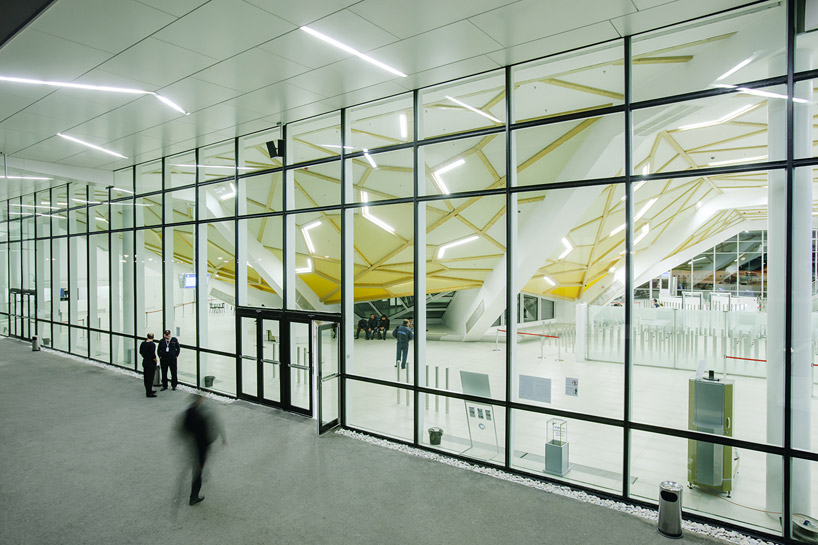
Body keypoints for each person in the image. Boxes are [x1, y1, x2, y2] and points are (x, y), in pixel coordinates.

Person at [179, 395, 226, 506]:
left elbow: (184, 428)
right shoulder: (203, 414)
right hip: (201, 446)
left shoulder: (189, 412)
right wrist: (219, 437)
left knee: (198, 465)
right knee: (198, 470)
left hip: (193, 444)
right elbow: (212, 428)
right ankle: (194, 497)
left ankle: (202, 469)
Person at [139, 333, 158, 398]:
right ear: (153, 337)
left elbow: (141, 352)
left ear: (147, 337)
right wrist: (156, 361)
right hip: (151, 363)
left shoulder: (143, 343)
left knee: (146, 377)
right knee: (150, 378)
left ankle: (148, 390)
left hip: (145, 361)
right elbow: (153, 355)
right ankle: (149, 393)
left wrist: (145, 357)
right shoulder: (152, 344)